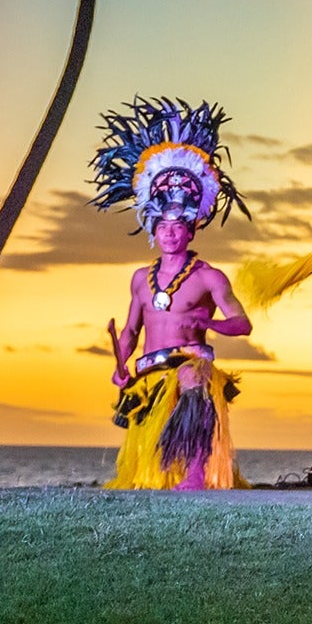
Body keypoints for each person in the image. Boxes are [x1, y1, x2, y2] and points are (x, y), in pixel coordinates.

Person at [92, 98, 253, 490]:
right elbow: (130, 330)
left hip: (190, 362)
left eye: (178, 226)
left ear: (191, 230)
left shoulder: (208, 277)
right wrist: (120, 362)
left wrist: (210, 322)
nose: (169, 232)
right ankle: (163, 475)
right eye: (163, 226)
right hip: (150, 368)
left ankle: (196, 473)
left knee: (193, 378)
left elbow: (243, 323)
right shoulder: (138, 279)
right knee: (151, 469)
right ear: (154, 229)